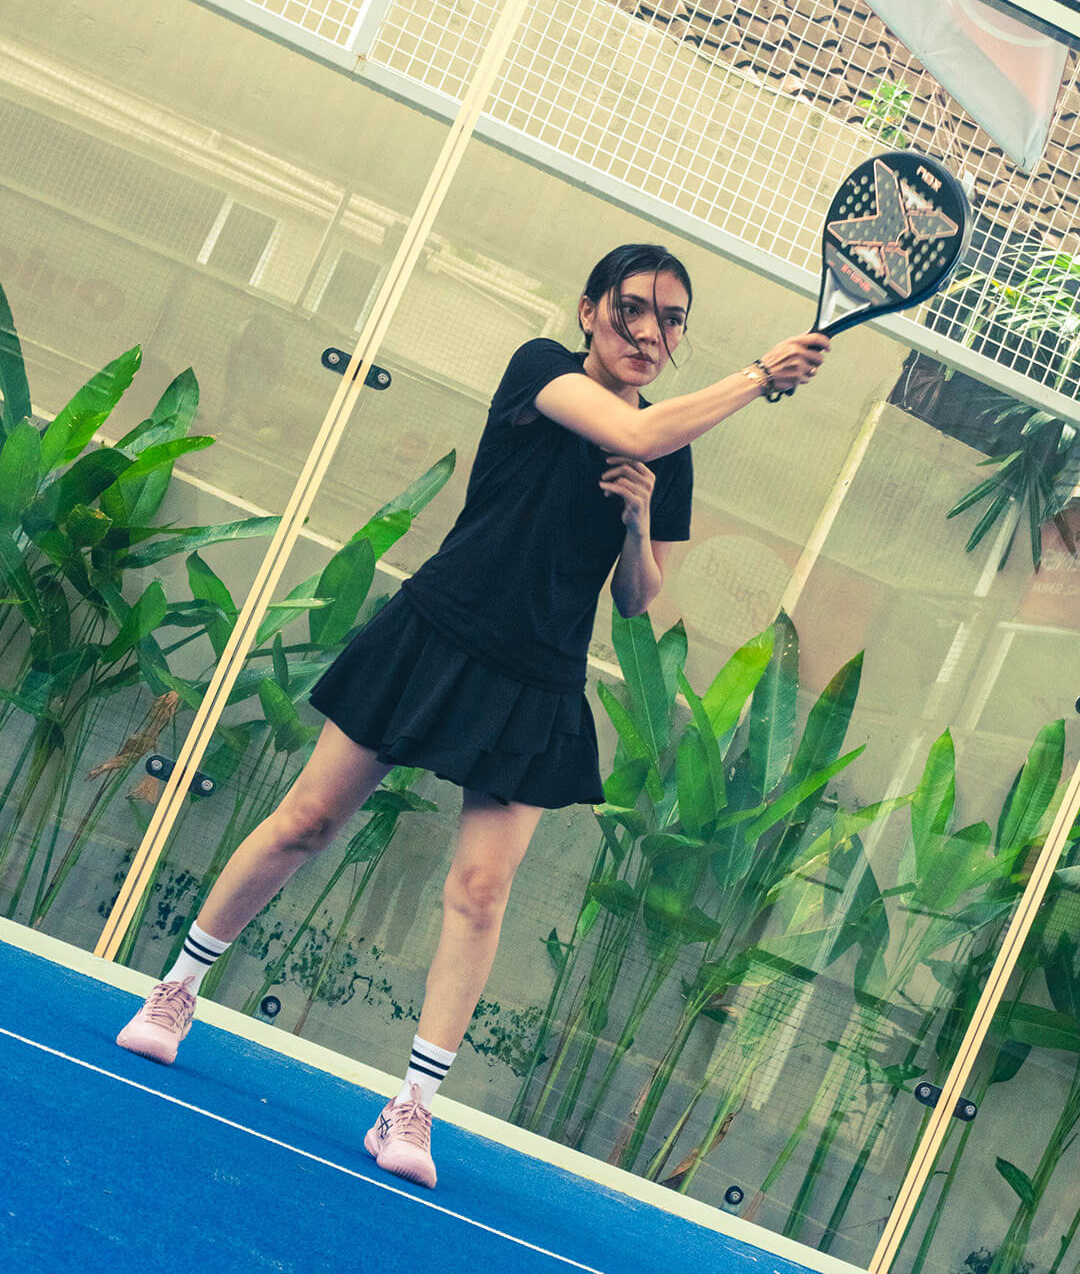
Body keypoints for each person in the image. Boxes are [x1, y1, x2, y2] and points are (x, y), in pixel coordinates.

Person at [115, 243, 829, 1188]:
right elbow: (633, 428)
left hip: (537, 679)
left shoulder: (671, 449)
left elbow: (637, 599)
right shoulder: (541, 370)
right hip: (437, 632)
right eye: (631, 309)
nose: (650, 333)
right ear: (588, 311)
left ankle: (412, 1107)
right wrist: (759, 375)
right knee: (307, 819)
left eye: (671, 321)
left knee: (482, 891)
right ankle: (176, 990)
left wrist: (635, 522)